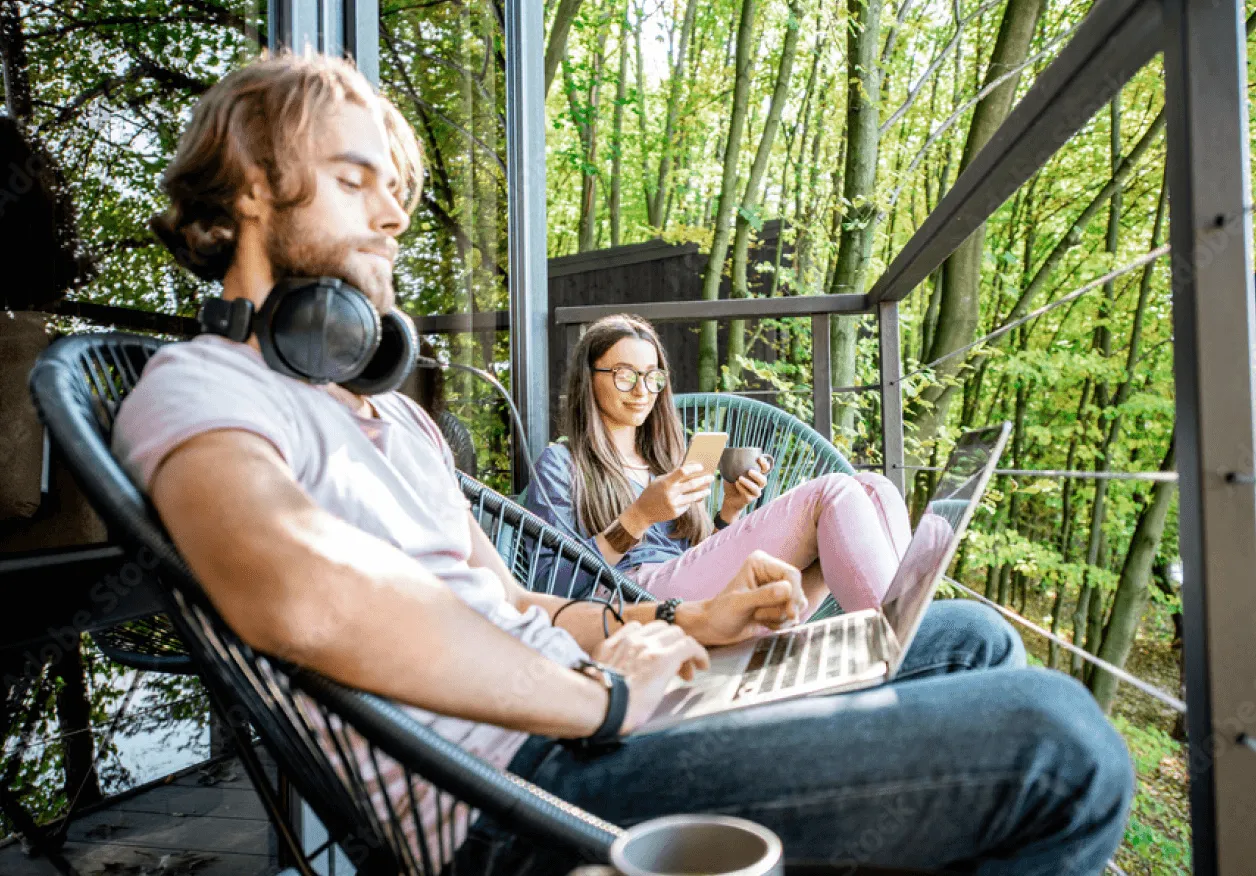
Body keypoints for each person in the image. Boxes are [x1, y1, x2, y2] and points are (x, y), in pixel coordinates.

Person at [111, 51, 1133, 875]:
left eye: (396, 196)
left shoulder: (396, 422)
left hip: (592, 707)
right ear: (250, 187)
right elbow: (300, 598)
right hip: (513, 795)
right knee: (1062, 743)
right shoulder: (203, 393)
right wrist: (607, 697)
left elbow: (524, 599)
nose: (390, 217)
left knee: (964, 637)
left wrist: (687, 622)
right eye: (352, 180)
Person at [527, 314, 912, 614]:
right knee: (834, 492)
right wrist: (638, 518)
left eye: (652, 377)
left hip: (688, 597)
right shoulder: (562, 465)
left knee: (873, 486)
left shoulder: (664, 461)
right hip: (629, 602)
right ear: (589, 379)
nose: (642, 391)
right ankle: (908, 645)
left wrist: (729, 512)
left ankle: (910, 620)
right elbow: (547, 586)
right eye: (625, 376)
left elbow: (690, 564)